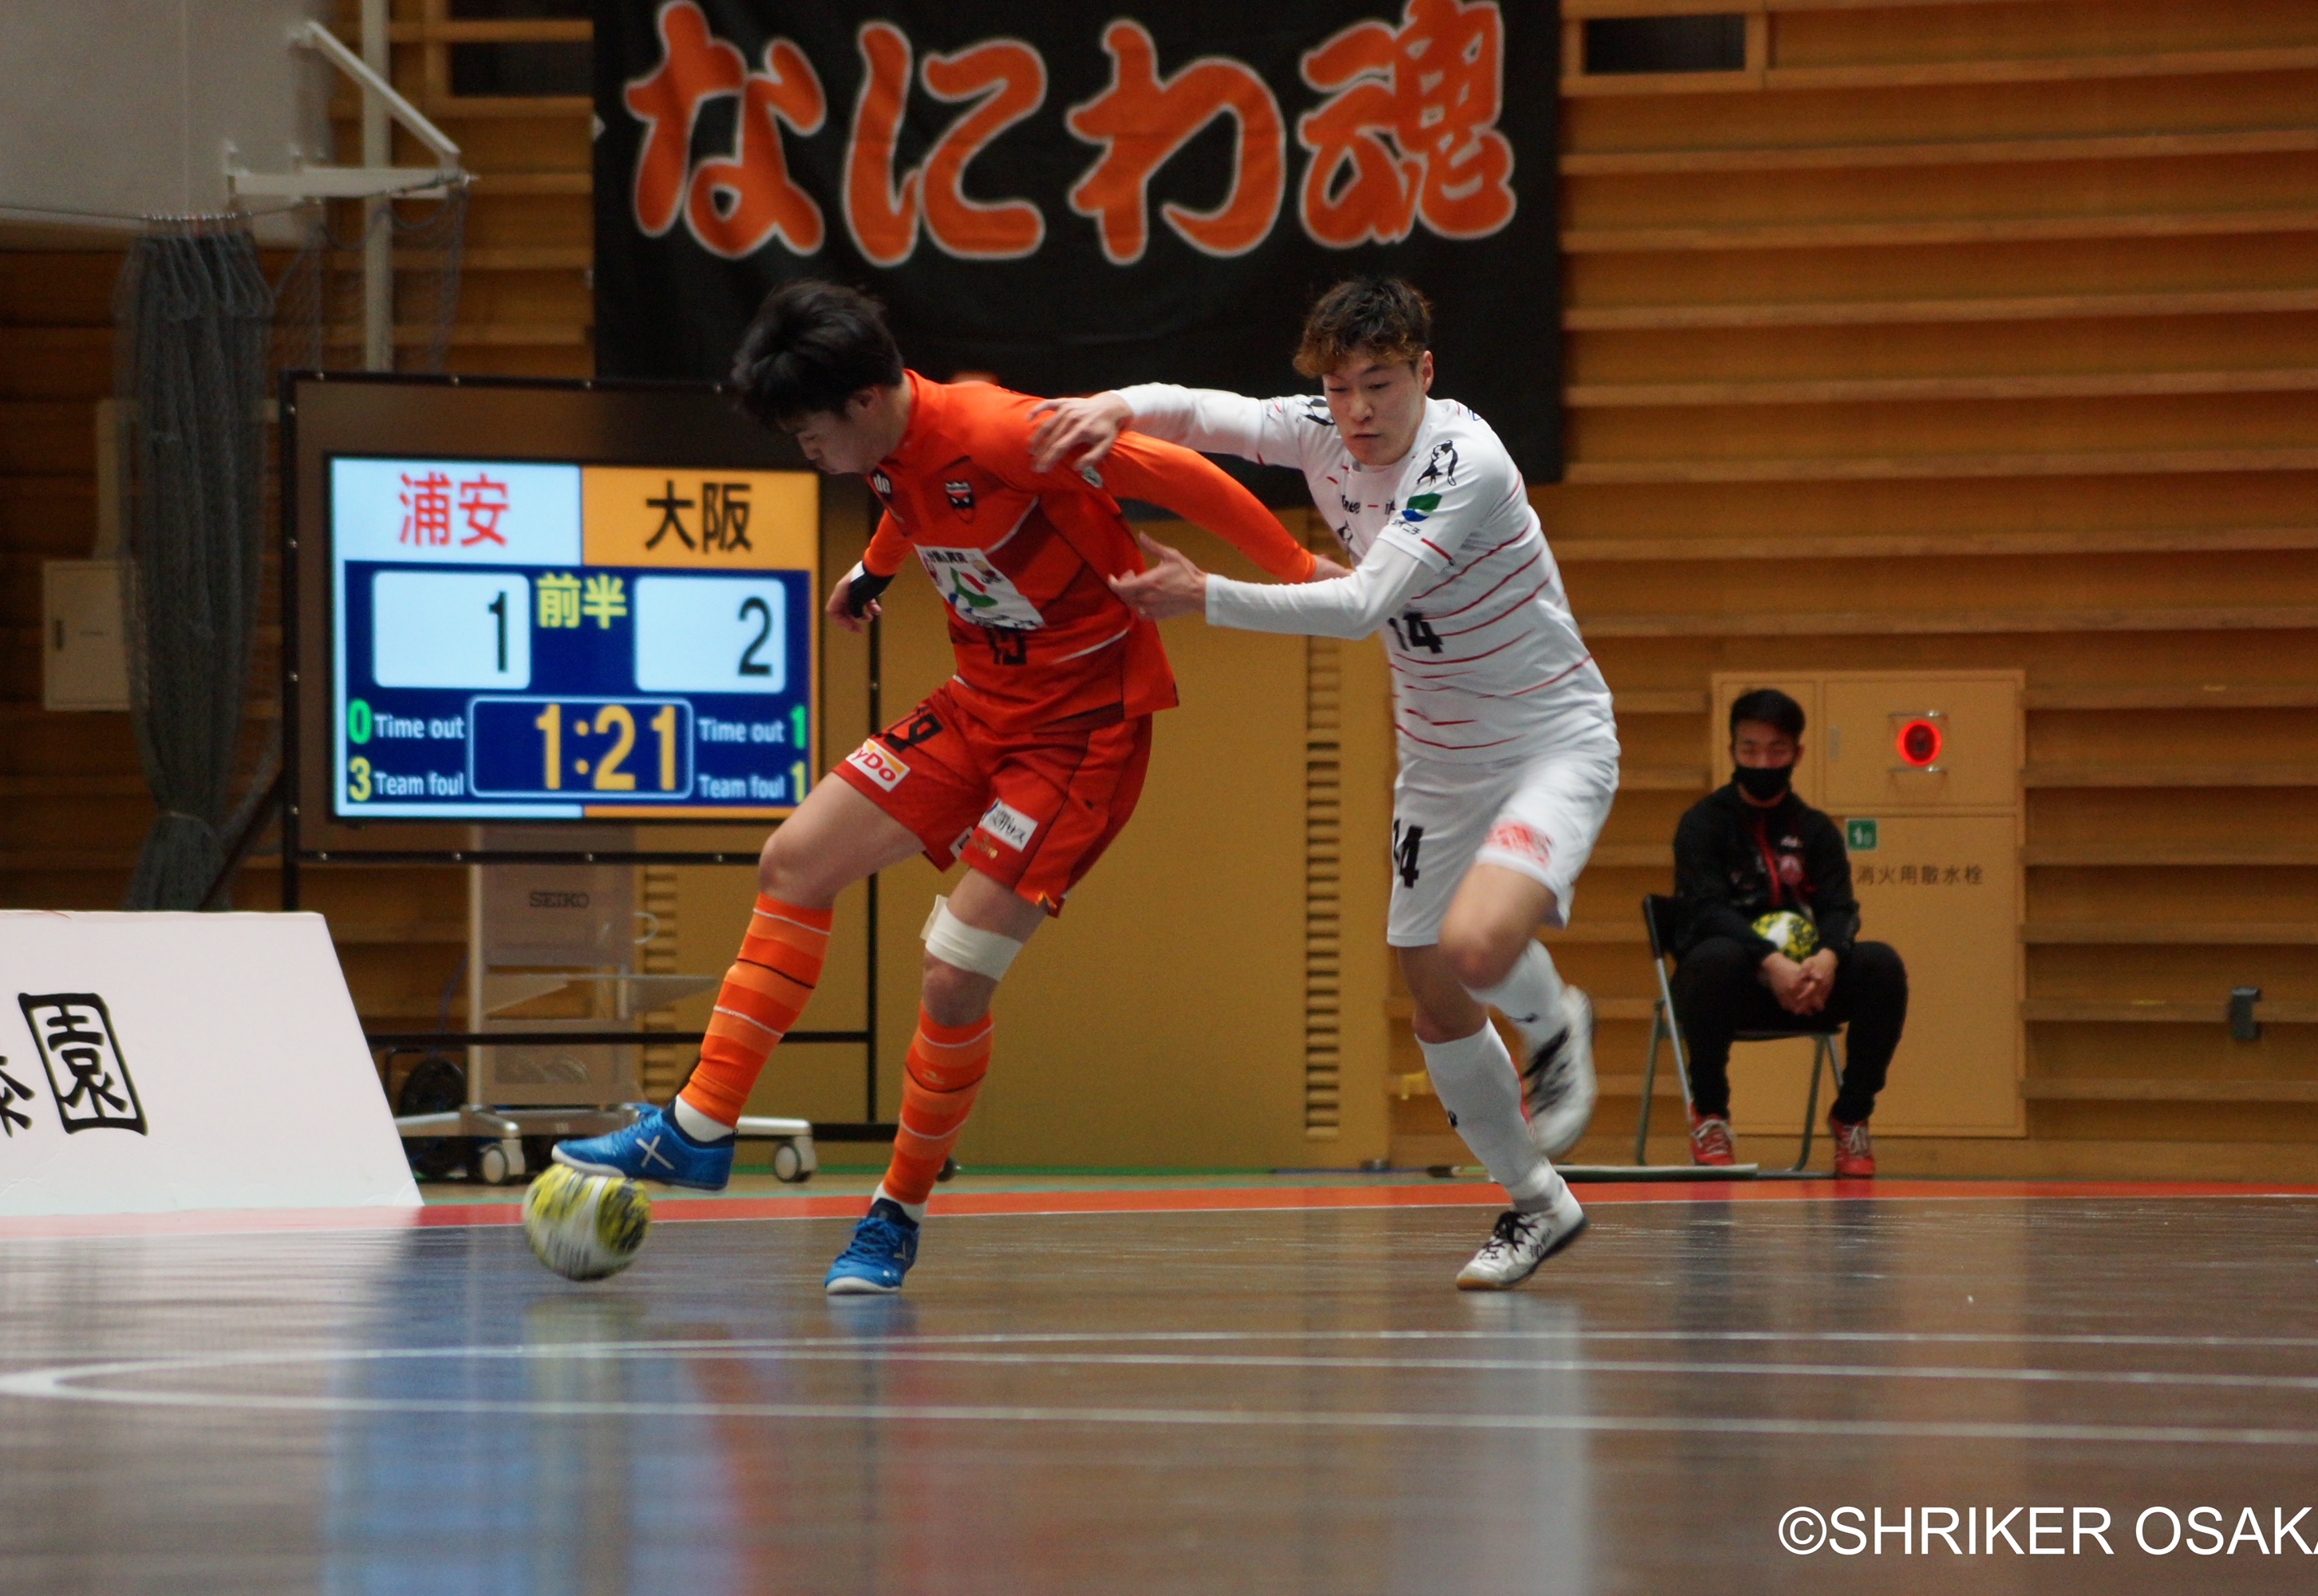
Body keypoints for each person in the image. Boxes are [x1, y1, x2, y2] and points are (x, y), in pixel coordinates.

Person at [554, 280, 1331, 1294]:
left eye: (808, 431)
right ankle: (696, 1129)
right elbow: (911, 499)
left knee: (953, 972)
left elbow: (1176, 471)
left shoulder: (1006, 432)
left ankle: (896, 1211)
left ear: (865, 400)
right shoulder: (885, 441)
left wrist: (1299, 571)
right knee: (794, 860)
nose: (805, 449)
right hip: (977, 708)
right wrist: (875, 572)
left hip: (1079, 735)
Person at [1031, 276, 1611, 1290]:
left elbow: (1360, 606)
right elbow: (1211, 415)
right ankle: (1537, 1201)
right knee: (1434, 995)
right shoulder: (1324, 431)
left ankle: (1554, 1017)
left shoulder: (1463, 462)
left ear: (1425, 372)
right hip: (1438, 758)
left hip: (1547, 741)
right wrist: (1112, 406)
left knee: (1476, 946)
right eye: (1341, 388)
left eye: (1379, 384)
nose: (1358, 411)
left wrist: (1203, 594)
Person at [1668, 688, 1908, 1176]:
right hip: (1727, 990)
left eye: (1776, 750)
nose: (1762, 762)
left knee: (1881, 964)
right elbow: (1707, 909)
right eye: (1750, 749)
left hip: (1806, 989)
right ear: (1733, 751)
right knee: (1714, 957)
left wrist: (1827, 960)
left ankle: (1852, 1115)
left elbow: (1840, 908)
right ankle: (1711, 1114)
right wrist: (1769, 962)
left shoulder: (1816, 830)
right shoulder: (1702, 824)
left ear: (1797, 754)